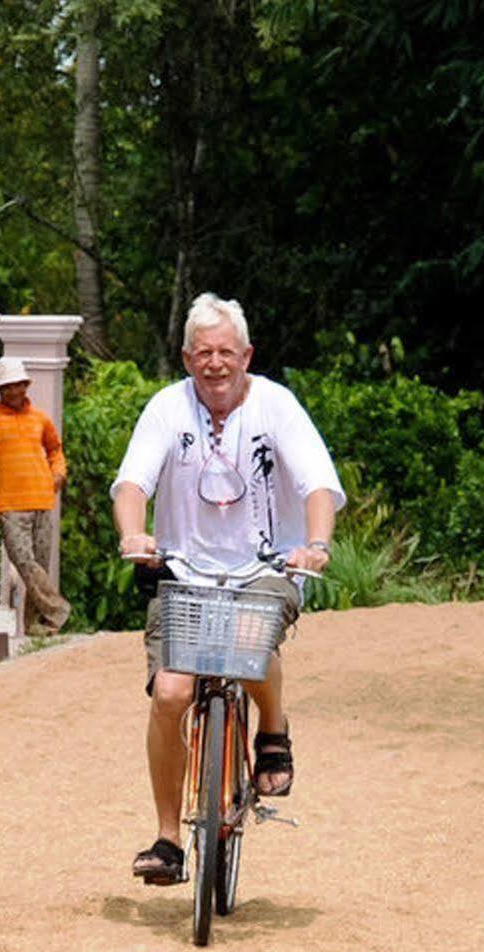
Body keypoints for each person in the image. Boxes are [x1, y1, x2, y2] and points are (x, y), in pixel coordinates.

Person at [111, 292, 344, 885]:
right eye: (203, 353)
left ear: (247, 356)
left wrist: (315, 544)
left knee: (252, 644)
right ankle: (168, 837)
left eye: (227, 352)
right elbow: (132, 481)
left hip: (264, 566)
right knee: (170, 694)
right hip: (184, 571)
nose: (215, 364)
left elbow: (317, 482)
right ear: (188, 358)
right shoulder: (167, 408)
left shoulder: (277, 406)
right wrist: (135, 534)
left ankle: (271, 730)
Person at [0, 355, 71, 635]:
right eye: (7, 387)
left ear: (25, 385)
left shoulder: (40, 418)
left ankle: (33, 625)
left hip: (42, 499)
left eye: (17, 385)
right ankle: (58, 609)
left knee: (39, 565)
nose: (13, 391)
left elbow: (56, 450)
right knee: (26, 563)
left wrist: (59, 473)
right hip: (9, 506)